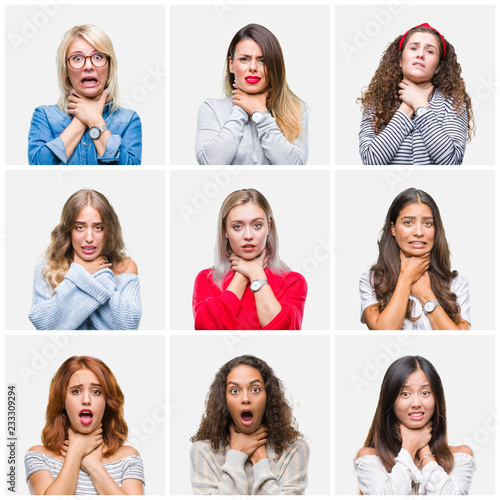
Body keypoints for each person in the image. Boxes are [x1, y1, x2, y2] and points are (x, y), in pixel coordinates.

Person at [355, 355, 475, 494]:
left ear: (436, 398)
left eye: (425, 393)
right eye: (405, 394)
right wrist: (409, 448)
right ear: (390, 400)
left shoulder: (460, 457)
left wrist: (425, 452)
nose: (416, 403)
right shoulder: (370, 459)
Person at [25, 356, 145, 495]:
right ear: (62, 400)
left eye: (96, 392)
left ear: (107, 402)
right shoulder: (39, 456)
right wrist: (75, 454)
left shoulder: (128, 458)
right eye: (76, 391)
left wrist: (94, 467)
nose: (86, 400)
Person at [190, 355, 309, 495]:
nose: (245, 399)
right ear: (224, 399)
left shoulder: (294, 449)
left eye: (255, 390)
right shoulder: (204, 451)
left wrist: (261, 464)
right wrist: (236, 455)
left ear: (268, 396)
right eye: (235, 391)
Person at [358, 23, 474, 165]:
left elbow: (451, 162)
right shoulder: (377, 101)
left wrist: (420, 104)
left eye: (430, 51)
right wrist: (407, 105)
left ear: (438, 66)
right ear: (400, 59)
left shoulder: (453, 102)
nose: (420, 55)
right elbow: (372, 161)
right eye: (413, 48)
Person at [192, 189, 307, 330]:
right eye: (237, 226)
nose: (248, 235)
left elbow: (281, 333)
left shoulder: (292, 282)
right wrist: (242, 275)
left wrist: (256, 273)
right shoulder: (207, 280)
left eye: (257, 225)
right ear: (225, 231)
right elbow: (209, 331)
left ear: (269, 227)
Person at [195, 23, 308, 165]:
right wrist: (241, 108)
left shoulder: (296, 110)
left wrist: (260, 113)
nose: (253, 67)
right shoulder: (211, 108)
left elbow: (294, 166)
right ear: (231, 64)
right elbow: (210, 164)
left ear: (274, 65)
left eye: (262, 60)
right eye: (244, 59)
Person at [28, 24, 141, 165]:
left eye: (98, 56)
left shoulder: (129, 120)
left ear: (109, 66)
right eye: (77, 58)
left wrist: (95, 120)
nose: (88, 66)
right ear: (66, 71)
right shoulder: (44, 115)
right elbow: (40, 168)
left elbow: (128, 172)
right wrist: (82, 119)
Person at [29, 189, 141, 330]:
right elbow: (45, 325)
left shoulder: (125, 268)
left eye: (98, 227)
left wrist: (97, 274)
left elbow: (128, 326)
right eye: (80, 227)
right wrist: (80, 272)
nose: (89, 238)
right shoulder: (47, 269)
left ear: (109, 231)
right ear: (69, 231)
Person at [359, 188, 470, 330]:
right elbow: (384, 331)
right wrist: (406, 278)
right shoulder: (371, 280)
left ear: (436, 230)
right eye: (408, 223)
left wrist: (426, 295)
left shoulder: (457, 284)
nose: (418, 232)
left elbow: (459, 341)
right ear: (393, 228)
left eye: (428, 223)